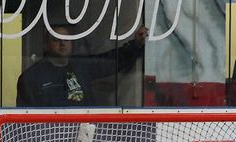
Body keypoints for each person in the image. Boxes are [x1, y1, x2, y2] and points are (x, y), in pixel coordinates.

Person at [17, 24, 148, 107]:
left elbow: (111, 61)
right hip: (51, 138)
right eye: (56, 39)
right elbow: (24, 115)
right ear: (46, 45)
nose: (62, 43)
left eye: (66, 39)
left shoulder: (81, 65)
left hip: (84, 134)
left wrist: (136, 44)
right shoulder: (31, 77)